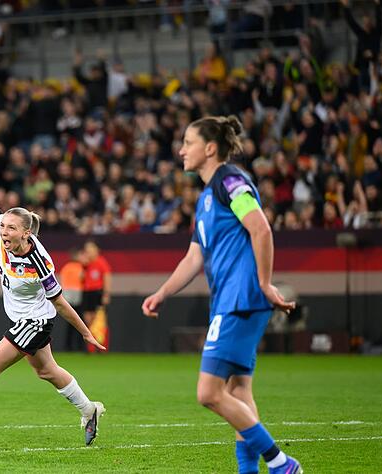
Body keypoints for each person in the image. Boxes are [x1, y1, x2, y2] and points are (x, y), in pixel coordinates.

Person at [141, 115, 302, 474]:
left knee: (209, 393)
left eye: (188, 142)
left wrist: (263, 283)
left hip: (240, 299)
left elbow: (260, 228)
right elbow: (195, 256)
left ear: (210, 148)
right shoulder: (205, 198)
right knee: (239, 390)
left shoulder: (229, 180)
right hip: (231, 300)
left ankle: (282, 464)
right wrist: (162, 292)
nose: (181, 150)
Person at [0, 144, 106, 449]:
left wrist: (86, 333)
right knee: (47, 371)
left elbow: (60, 302)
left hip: (35, 321)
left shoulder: (39, 261)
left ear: (26, 233)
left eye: (11, 228)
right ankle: (89, 409)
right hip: (24, 319)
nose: (3, 231)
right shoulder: (4, 233)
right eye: (3, 225)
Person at [60, 246, 86, 352]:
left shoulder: (66, 267)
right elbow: (82, 278)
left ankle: (68, 346)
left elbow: (62, 280)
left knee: (70, 323)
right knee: (79, 321)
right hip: (77, 295)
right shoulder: (80, 267)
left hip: (67, 296)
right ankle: (80, 346)